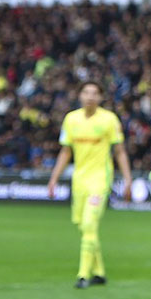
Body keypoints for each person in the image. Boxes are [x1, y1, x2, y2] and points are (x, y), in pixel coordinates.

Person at [47, 81, 132, 288]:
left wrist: (128, 179)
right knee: (83, 226)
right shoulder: (71, 119)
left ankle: (83, 275)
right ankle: (99, 272)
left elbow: (119, 151)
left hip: (100, 180)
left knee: (89, 224)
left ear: (101, 97)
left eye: (94, 93)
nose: (90, 96)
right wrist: (53, 179)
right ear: (79, 95)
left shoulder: (109, 119)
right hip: (79, 180)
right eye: (86, 92)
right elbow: (66, 151)